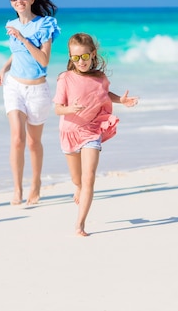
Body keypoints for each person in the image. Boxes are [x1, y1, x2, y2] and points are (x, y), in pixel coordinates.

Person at [53, 33, 139, 236]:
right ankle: (77, 187)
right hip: (69, 133)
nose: (80, 62)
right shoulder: (65, 79)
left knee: (89, 178)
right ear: (70, 57)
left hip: (91, 131)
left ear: (92, 55)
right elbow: (57, 109)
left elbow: (103, 94)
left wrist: (121, 100)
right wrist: (69, 109)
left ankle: (80, 224)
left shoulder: (100, 78)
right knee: (78, 179)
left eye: (84, 57)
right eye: (75, 58)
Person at [0, 0, 61, 205]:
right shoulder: (11, 24)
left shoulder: (45, 25)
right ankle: (17, 189)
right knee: (17, 139)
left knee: (33, 142)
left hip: (37, 90)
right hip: (14, 86)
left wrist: (22, 38)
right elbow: (17, 53)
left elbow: (43, 60)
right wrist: (4, 69)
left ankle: (36, 182)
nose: (19, 1)